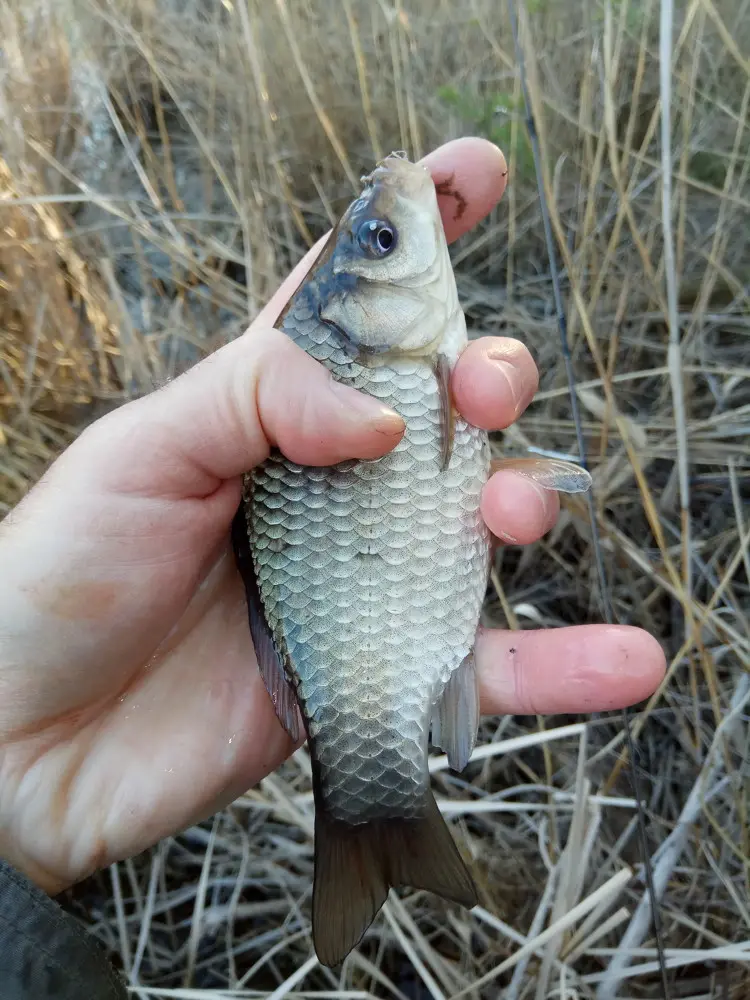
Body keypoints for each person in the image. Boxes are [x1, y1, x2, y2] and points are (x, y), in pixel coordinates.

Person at [0, 137, 666, 998]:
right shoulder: (342, 366)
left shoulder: (380, 354)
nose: (398, 237)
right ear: (352, 313)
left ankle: (376, 821)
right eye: (382, 246)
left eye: (377, 243)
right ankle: (377, 817)